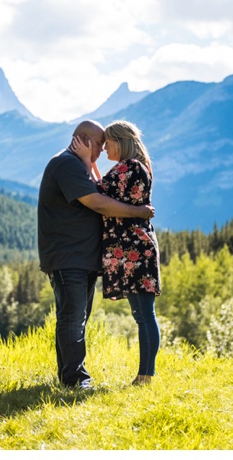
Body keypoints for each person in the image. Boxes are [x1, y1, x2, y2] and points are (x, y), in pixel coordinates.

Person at [38, 120, 155, 390]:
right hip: (69, 256)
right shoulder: (66, 164)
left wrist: (89, 164)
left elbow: (98, 189)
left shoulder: (76, 164)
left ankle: (69, 377)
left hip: (81, 256)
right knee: (72, 318)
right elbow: (97, 202)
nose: (103, 150)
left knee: (75, 317)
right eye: (100, 144)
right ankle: (76, 380)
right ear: (85, 140)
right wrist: (139, 212)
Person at [71, 120, 161, 386]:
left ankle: (146, 375)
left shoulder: (130, 168)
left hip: (134, 250)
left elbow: (98, 198)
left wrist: (86, 162)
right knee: (142, 314)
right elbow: (107, 191)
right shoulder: (130, 167)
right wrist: (93, 165)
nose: (104, 147)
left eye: (107, 143)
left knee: (144, 315)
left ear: (120, 142)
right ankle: (146, 374)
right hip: (133, 248)